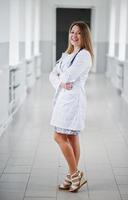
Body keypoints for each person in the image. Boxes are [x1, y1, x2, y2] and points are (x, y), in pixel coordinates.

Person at [49, 21, 94, 192]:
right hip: (63, 99)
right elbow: (52, 75)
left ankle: (75, 174)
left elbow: (67, 76)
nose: (74, 36)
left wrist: (61, 79)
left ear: (84, 36)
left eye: (79, 33)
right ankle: (71, 175)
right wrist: (61, 82)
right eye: (72, 32)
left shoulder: (84, 56)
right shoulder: (67, 54)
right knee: (72, 137)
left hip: (72, 102)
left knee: (58, 137)